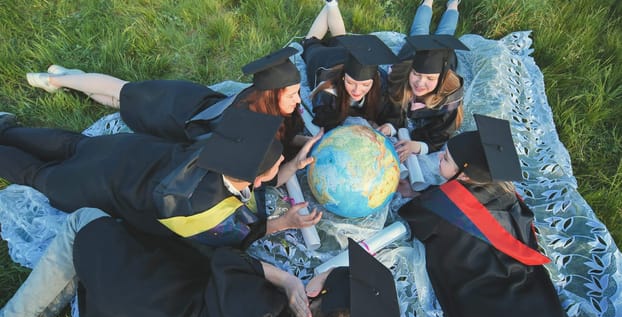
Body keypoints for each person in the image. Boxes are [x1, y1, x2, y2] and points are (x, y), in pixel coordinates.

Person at [0, 207, 405, 317]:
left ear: (316, 290)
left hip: (137, 308)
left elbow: (226, 260)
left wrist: (284, 280)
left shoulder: (256, 311)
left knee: (84, 224)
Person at [0, 109, 321, 256]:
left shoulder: (220, 147)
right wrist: (284, 223)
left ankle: (5, 130)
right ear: (252, 176)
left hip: (123, 151)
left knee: (72, 145)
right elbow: (242, 234)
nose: (282, 161)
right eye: (276, 163)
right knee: (38, 176)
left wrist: (293, 163)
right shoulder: (208, 211)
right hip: (103, 188)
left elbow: (252, 176)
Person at [397, 115, 594, 317]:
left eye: (447, 158)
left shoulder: (442, 204)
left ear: (465, 175)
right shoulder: (506, 193)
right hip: (524, 281)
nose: (440, 157)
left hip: (481, 287)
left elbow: (415, 216)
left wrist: (415, 195)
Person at [26, 47, 308, 161]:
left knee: (121, 98)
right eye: (292, 94)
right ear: (270, 95)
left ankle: (68, 76)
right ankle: (57, 81)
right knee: (122, 93)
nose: (298, 100)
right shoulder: (242, 124)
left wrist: (307, 141)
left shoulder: (257, 100)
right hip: (173, 113)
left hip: (189, 100)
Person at [301, 0, 398, 131]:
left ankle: (331, 4)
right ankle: (329, 5)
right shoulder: (327, 94)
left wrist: (389, 127)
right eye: (351, 83)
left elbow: (393, 116)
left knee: (342, 39)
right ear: (343, 78)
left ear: (373, 81)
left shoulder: (380, 83)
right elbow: (327, 124)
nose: (357, 91)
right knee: (310, 42)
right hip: (324, 59)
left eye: (365, 85)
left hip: (348, 54)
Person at [377, 34, 469, 162]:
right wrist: (390, 126)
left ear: (441, 79)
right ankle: (424, 12)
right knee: (419, 32)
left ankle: (452, 12)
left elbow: (441, 135)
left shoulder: (450, 99)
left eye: (430, 78)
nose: (420, 83)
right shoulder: (400, 75)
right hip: (412, 51)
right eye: (416, 74)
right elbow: (392, 107)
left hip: (446, 59)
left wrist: (417, 146)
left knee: (445, 33)